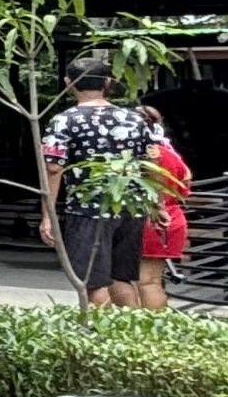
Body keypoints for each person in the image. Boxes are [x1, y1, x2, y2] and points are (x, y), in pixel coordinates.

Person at [40, 56, 150, 307]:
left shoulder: (64, 120)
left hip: (86, 208)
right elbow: (150, 162)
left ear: (69, 83)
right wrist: (156, 205)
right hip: (130, 206)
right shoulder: (134, 118)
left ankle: (103, 338)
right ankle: (132, 335)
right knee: (122, 278)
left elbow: (54, 168)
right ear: (108, 82)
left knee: (93, 282)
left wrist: (47, 216)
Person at [136, 102, 190, 311]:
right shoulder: (170, 152)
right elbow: (185, 186)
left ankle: (154, 327)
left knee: (147, 282)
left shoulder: (146, 154)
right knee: (153, 280)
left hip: (153, 218)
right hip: (173, 216)